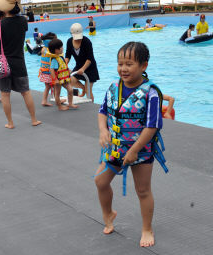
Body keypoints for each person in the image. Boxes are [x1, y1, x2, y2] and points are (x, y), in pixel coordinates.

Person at [95, 41, 165, 248]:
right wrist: (103, 130)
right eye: (120, 63)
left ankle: (146, 228)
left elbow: (152, 127)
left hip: (141, 152)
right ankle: (109, 214)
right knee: (100, 182)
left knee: (142, 190)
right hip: (115, 148)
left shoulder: (150, 93)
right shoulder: (113, 88)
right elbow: (102, 112)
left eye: (129, 64)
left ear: (143, 66)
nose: (123, 69)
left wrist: (134, 150)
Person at [0, 0, 41, 129]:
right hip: (19, 62)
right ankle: (34, 119)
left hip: (2, 63)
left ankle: (10, 122)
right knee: (25, 92)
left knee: (5, 94)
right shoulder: (23, 21)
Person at [65, 23, 99, 100]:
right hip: (78, 66)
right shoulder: (69, 41)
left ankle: (91, 107)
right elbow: (67, 56)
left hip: (90, 68)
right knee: (70, 81)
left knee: (88, 91)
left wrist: (83, 69)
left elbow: (90, 58)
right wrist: (64, 65)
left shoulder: (87, 42)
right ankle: (83, 88)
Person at [48, 39, 78, 111]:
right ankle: (60, 107)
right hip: (58, 79)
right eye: (61, 47)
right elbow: (51, 70)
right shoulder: (54, 60)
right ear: (56, 50)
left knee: (70, 90)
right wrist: (55, 79)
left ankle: (70, 103)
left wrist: (69, 71)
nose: (62, 48)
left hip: (64, 78)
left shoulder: (61, 57)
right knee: (57, 94)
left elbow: (63, 66)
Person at [38, 32, 57, 106]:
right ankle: (56, 99)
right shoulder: (50, 51)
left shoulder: (43, 49)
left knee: (47, 87)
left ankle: (45, 100)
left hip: (44, 72)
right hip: (49, 73)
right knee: (55, 86)